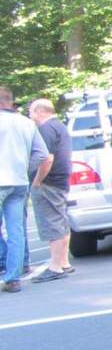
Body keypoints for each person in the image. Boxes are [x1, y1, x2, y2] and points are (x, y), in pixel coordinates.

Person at [0, 87, 50, 293]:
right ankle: (14, 278)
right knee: (17, 231)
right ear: (10, 101)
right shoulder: (27, 123)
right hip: (19, 182)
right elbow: (42, 154)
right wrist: (24, 168)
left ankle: (4, 260)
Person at [28, 99, 73, 282]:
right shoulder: (59, 126)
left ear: (40, 111)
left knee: (51, 222)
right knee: (61, 222)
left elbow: (47, 158)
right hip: (61, 180)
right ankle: (64, 262)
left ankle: (55, 267)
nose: (30, 116)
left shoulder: (46, 129)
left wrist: (37, 181)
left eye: (31, 112)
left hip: (49, 182)